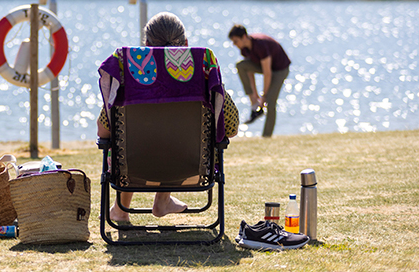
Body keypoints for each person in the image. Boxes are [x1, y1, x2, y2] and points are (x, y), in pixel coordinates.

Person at [98, 12, 239, 222]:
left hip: (133, 169)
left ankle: (121, 209)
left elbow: (104, 131)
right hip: (191, 167)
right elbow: (231, 127)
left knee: (129, 141)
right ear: (186, 44)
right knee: (173, 140)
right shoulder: (203, 75)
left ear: (145, 44)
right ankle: (162, 200)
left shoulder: (129, 76)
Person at [228, 24, 291, 138]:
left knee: (270, 102)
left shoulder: (260, 45)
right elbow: (249, 72)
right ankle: (254, 105)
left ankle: (266, 136)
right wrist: (255, 96)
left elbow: (268, 73)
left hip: (279, 69)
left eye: (236, 41)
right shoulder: (244, 49)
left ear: (244, 37)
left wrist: (264, 96)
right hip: (266, 68)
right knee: (241, 66)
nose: (234, 44)